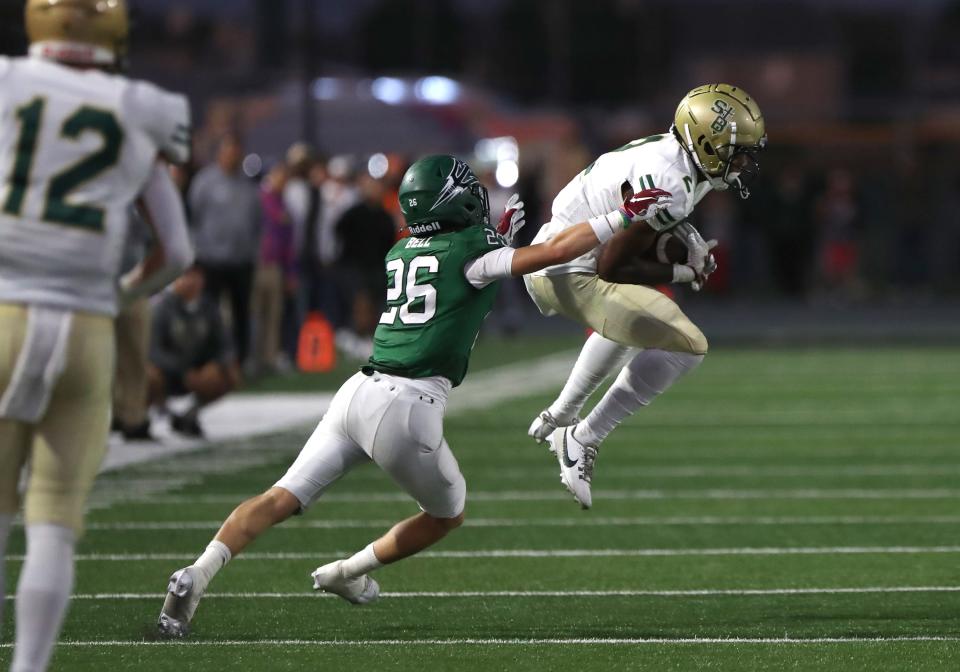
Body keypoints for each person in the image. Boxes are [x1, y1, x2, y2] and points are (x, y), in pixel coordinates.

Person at [156, 154, 671, 637]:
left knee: (278, 497)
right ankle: (346, 572)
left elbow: (465, 271)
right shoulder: (471, 252)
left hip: (356, 394)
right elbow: (551, 252)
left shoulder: (400, 249)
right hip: (407, 407)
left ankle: (196, 575)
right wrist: (619, 219)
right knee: (448, 514)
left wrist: (497, 238)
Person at [0, 1, 194, 670]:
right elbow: (175, 252)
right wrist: (118, 294)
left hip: (3, 310)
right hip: (85, 326)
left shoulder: (6, 84)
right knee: (51, 525)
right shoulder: (141, 105)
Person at [525, 83, 767, 509]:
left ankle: (573, 427)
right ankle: (572, 425)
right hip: (560, 268)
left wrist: (687, 237)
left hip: (563, 255)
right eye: (737, 150)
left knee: (679, 341)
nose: (744, 161)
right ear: (708, 144)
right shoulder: (672, 179)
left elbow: (644, 218)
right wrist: (682, 269)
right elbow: (613, 268)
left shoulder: (678, 159)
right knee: (665, 329)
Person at [188, 131, 261, 365]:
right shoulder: (204, 182)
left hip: (241, 261)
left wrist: (251, 250)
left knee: (241, 314)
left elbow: (256, 222)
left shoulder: (247, 186)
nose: (233, 156)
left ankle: (240, 361)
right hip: (211, 260)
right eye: (229, 151)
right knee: (208, 313)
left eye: (237, 152)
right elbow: (194, 217)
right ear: (220, 153)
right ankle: (208, 360)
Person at [148, 265, 241, 437]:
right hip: (170, 371)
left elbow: (226, 346)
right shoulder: (162, 307)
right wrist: (183, 371)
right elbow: (153, 351)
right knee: (149, 375)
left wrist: (215, 365)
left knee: (230, 374)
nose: (191, 281)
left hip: (199, 371)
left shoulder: (209, 307)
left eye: (195, 276)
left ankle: (190, 413)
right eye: (186, 276)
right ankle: (164, 412)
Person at [335, 173, 398, 338]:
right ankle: (356, 336)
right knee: (360, 303)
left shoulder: (385, 216)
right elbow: (338, 233)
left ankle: (375, 337)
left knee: (378, 306)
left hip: (377, 268)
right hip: (355, 267)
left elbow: (389, 242)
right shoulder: (353, 213)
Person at [251, 162, 297, 375]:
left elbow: (288, 243)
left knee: (273, 315)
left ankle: (269, 359)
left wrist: (290, 272)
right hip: (257, 264)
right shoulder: (259, 200)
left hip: (275, 266)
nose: (282, 181)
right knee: (254, 313)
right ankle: (252, 358)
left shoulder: (283, 204)